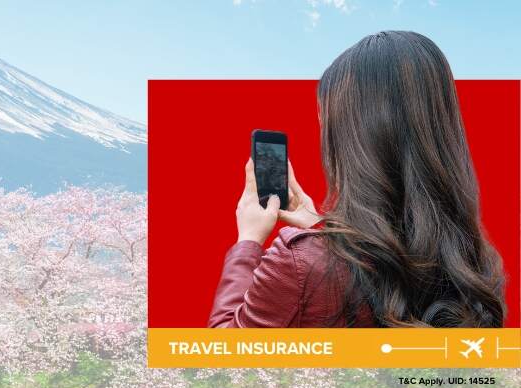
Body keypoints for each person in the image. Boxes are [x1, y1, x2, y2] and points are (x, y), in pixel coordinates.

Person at [208, 31, 507, 328]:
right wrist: (319, 229)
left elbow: (223, 359)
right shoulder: (476, 266)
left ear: (348, 137)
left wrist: (248, 242)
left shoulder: (298, 262)